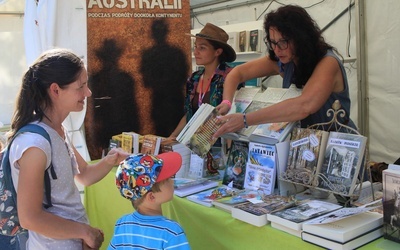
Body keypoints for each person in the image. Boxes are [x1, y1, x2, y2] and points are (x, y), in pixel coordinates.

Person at [7, 48, 129, 249]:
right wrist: (84, 231)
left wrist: (111, 159)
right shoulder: (34, 145)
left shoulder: (58, 130)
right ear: (55, 90)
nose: (88, 93)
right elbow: (30, 218)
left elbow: (84, 175)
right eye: (80, 86)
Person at [214, 5, 357, 139]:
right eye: (272, 42)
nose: (277, 49)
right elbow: (238, 72)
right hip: (305, 145)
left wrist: (245, 120)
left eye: (283, 42)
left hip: (335, 145)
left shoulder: (328, 62)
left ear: (301, 38)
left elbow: (304, 105)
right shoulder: (285, 60)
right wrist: (227, 101)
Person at [169, 22, 243, 139]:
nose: (196, 52)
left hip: (220, 142)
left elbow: (234, 114)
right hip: (194, 143)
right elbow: (189, 114)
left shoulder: (230, 77)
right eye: (195, 47)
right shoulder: (194, 78)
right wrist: (173, 136)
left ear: (217, 52)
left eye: (202, 48)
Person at [109, 152, 191, 250]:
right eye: (168, 179)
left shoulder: (122, 224)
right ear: (151, 197)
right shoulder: (171, 231)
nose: (172, 181)